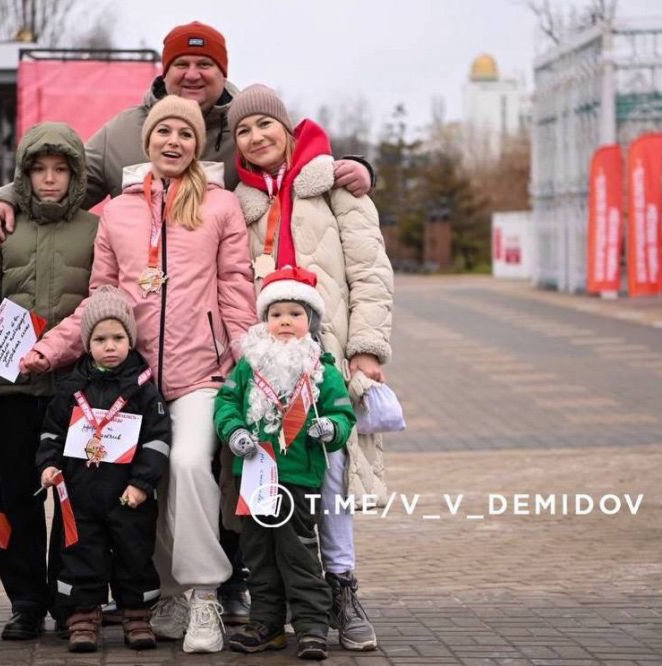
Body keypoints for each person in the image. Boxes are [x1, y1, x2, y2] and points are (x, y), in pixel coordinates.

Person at [22, 95, 255, 653]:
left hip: (203, 372)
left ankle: (203, 596)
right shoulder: (119, 212)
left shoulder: (221, 207)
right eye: (163, 131)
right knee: (143, 487)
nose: (173, 141)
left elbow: (238, 291)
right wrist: (49, 349)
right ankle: (169, 591)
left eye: (185, 133)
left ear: (198, 144)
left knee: (187, 464)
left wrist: (251, 361)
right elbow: (101, 301)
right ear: (148, 140)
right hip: (132, 381)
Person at [228, 84, 394, 651]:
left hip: (331, 355)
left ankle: (342, 588)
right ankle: (277, 605)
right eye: (244, 131)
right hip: (268, 362)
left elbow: (371, 271)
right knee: (279, 480)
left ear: (288, 128)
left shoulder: (334, 189)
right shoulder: (238, 202)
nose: (256, 138)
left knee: (332, 478)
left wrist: (367, 348)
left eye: (265, 125)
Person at [0, 21, 375, 249]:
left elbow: (302, 165)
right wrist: (4, 199)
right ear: (165, 72)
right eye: (181, 63)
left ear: (223, 72)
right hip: (146, 302)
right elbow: (65, 177)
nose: (192, 74)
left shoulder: (248, 127)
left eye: (205, 63)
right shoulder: (122, 132)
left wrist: (359, 169)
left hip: (234, 304)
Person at [0, 122, 98, 639]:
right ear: (23, 175)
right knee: (14, 499)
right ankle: (24, 600)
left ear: (75, 175)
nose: (49, 179)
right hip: (14, 391)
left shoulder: (94, 229)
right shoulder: (2, 229)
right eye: (39, 169)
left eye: (60, 169)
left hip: (75, 390)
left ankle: (69, 600)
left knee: (73, 496)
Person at [214, 266, 356, 660]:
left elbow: (344, 415)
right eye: (276, 315)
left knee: (299, 554)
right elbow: (225, 404)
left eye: (295, 313)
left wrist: (331, 427)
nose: (285, 322)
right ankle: (267, 625)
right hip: (254, 476)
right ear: (265, 320)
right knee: (258, 556)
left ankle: (311, 627)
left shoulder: (322, 369)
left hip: (298, 476)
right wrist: (234, 431)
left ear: (310, 321)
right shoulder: (249, 365)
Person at [36, 286, 172, 653]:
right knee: (81, 554)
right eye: (100, 339)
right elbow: (51, 432)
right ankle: (83, 617)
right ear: (86, 343)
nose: (109, 346)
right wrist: (48, 466)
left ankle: (137, 616)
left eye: (118, 337)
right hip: (81, 495)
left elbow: (158, 440)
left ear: (130, 340)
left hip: (129, 497)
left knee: (134, 554)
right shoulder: (71, 387)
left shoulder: (144, 389)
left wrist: (143, 483)